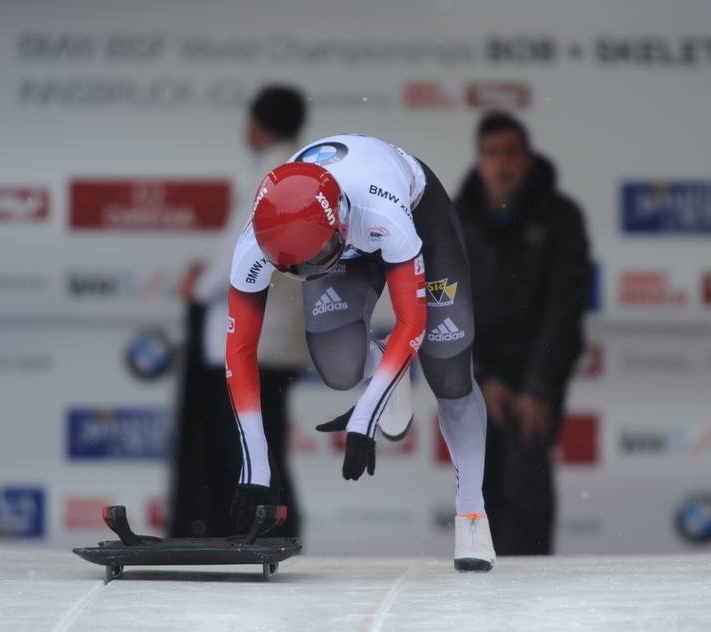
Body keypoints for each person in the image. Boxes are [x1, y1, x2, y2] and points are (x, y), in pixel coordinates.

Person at [225, 134, 495, 571]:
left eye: (321, 259)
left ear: (340, 225)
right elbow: (238, 354)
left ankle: (472, 512)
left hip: (417, 217)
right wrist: (256, 468)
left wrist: (365, 418)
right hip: (335, 232)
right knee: (338, 367)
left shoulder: (384, 213)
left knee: (448, 369)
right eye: (300, 271)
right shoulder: (256, 243)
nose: (315, 273)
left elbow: (412, 322)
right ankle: (390, 372)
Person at [170, 85, 308, 538]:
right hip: (273, 334)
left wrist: (199, 284)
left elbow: (242, 251)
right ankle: (267, 528)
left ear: (258, 124)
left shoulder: (272, 175)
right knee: (261, 440)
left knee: (247, 445)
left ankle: (259, 530)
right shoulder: (294, 170)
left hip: (253, 336)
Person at [454, 112, 591, 555]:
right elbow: (450, 308)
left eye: (511, 152)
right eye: (492, 153)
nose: (502, 163)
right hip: (479, 371)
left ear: (529, 158)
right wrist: (481, 376)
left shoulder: (561, 217)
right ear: (479, 162)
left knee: (527, 476)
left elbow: (564, 309)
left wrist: (539, 388)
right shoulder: (458, 220)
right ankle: (480, 579)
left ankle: (531, 593)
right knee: (478, 480)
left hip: (539, 364)